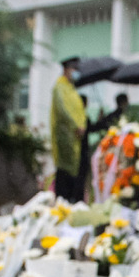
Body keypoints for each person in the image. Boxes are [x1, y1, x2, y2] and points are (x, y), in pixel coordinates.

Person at [50, 55, 86, 202]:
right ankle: (63, 203)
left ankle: (71, 203)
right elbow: (63, 110)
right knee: (65, 173)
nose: (76, 72)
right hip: (66, 137)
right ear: (66, 69)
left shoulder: (71, 89)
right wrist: (76, 125)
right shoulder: (60, 87)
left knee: (74, 174)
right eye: (74, 69)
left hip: (76, 138)